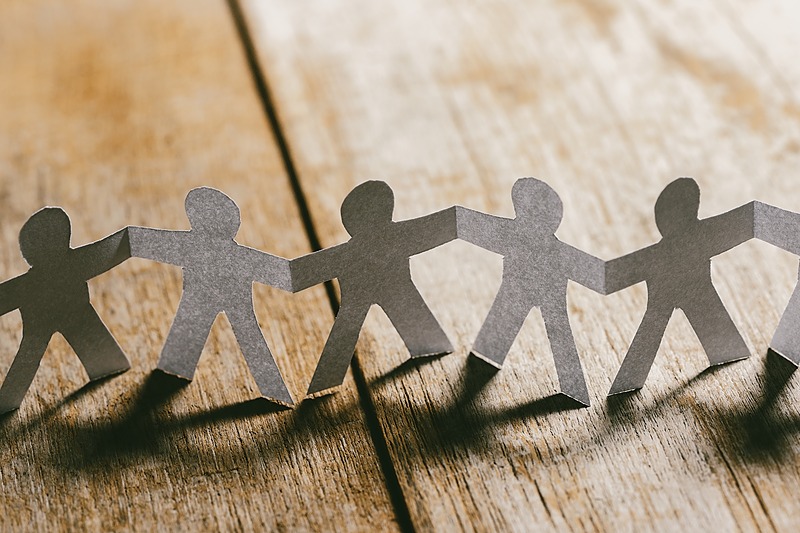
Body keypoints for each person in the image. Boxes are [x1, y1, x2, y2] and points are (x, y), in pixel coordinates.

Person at [129, 187, 294, 406]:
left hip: (203, 298)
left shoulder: (191, 245)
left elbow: (139, 241)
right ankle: (274, 391)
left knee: (204, 331)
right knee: (245, 337)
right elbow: (286, 273)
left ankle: (176, 369)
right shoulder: (233, 253)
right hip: (216, 300)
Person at [291, 180, 457, 397]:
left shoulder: (349, 251)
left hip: (378, 294)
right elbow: (446, 224)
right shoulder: (395, 235)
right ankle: (327, 379)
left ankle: (327, 380)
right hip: (392, 292)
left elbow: (297, 273)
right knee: (412, 327)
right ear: (387, 209)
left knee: (348, 328)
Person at [456, 178, 605, 406]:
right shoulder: (524, 236)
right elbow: (599, 274)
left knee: (555, 333)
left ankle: (573, 388)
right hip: (524, 290)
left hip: (530, 291)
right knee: (552, 333)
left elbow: (463, 222)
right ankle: (573, 388)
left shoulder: (515, 233)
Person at [605, 178, 754, 395]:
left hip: (685, 296)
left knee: (653, 330)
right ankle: (628, 382)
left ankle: (628, 381)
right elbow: (750, 218)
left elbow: (610, 275)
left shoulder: (673, 246)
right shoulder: (699, 235)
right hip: (691, 294)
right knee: (662, 327)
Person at [0, 207, 130, 414]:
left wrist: (134, 240)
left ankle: (7, 402)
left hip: (58, 321)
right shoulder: (75, 263)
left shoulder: (28, 283)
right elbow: (114, 248)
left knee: (28, 360)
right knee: (99, 355)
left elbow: (115, 247)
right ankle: (7, 402)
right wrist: (136, 240)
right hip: (74, 317)